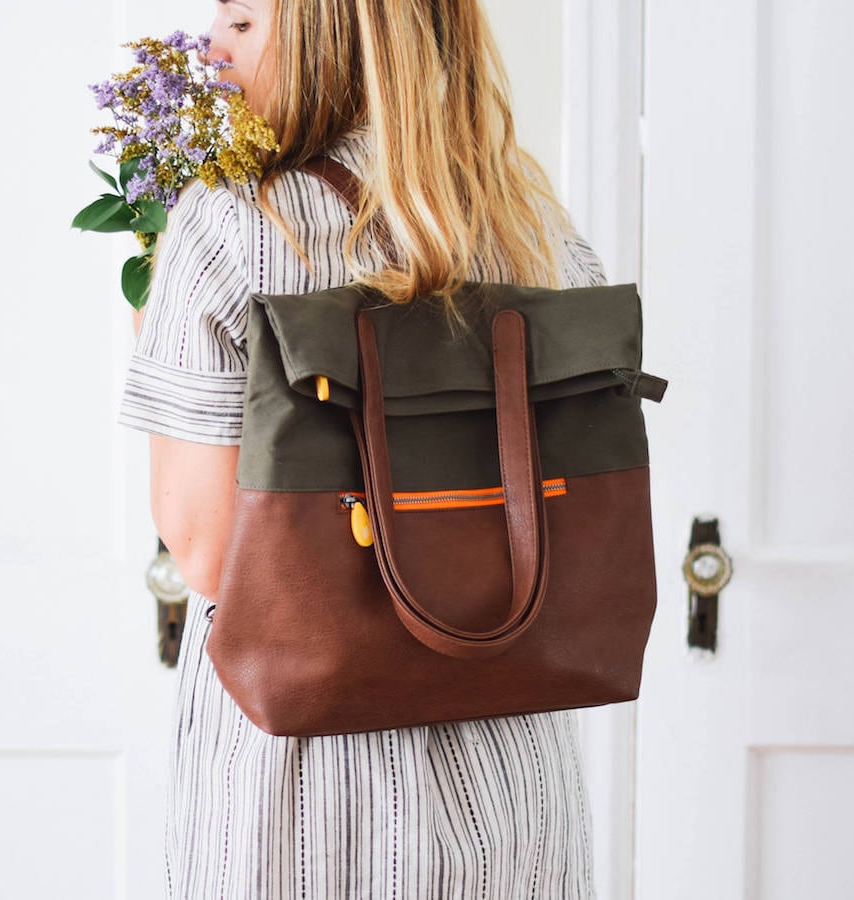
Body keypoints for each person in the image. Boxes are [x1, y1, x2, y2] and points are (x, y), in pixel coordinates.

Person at [117, 1, 609, 896]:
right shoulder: (539, 228)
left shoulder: (229, 223)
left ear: (328, 31)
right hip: (514, 773)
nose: (210, 48)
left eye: (240, 21)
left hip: (302, 791)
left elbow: (205, 546)